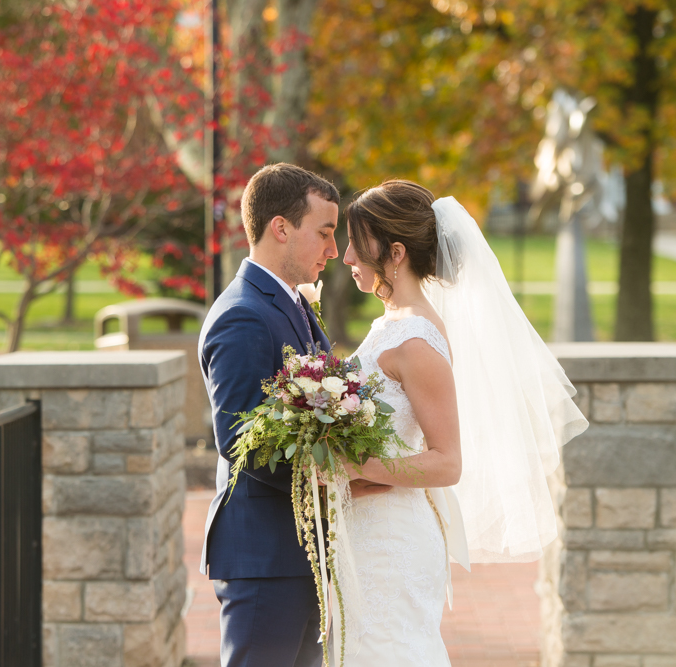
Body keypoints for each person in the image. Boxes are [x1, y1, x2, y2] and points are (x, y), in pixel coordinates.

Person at [332, 180, 588, 664]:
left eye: (356, 243)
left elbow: (448, 463)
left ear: (396, 252)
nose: (346, 256)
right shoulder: (390, 323)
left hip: (392, 541)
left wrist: (357, 465)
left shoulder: (416, 341)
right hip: (369, 530)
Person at [198, 163, 345, 667]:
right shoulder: (243, 314)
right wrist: (336, 480)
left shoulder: (291, 305)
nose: (333, 249)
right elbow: (240, 439)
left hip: (297, 553)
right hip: (265, 557)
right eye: (324, 233)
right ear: (281, 228)